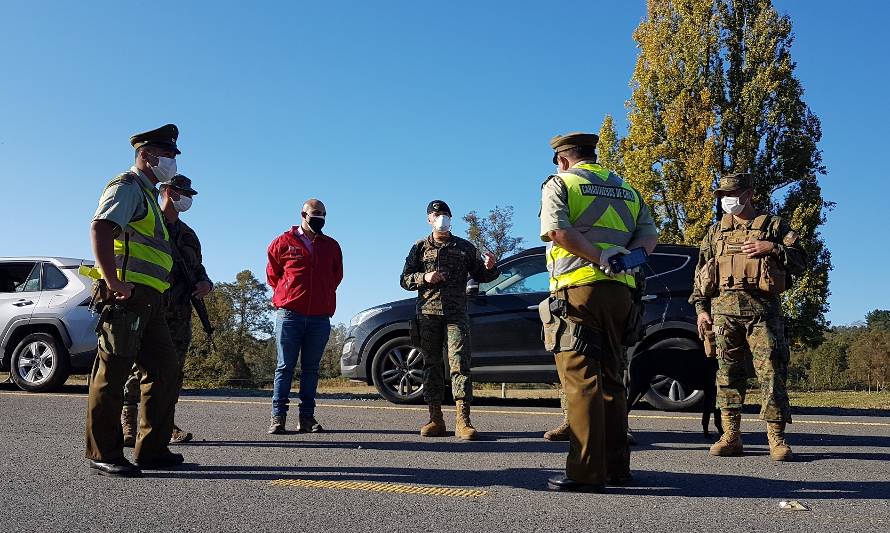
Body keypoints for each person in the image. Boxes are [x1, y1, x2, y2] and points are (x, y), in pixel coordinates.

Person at [539, 132, 658, 492]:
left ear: (562, 159)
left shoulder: (561, 184)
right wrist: (622, 260)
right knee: (611, 378)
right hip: (621, 293)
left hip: (578, 292)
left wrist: (597, 256)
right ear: (593, 155)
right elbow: (649, 238)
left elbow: (558, 232)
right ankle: (617, 467)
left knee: (581, 381)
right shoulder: (628, 190)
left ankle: (586, 472)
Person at [84, 124, 186, 477]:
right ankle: (104, 452)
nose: (172, 162)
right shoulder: (127, 187)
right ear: (148, 154)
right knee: (112, 372)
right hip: (126, 296)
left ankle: (152, 450)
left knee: (164, 370)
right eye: (169, 155)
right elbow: (100, 227)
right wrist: (112, 281)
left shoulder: (148, 196)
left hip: (149, 299)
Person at [690, 172, 806, 461]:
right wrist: (701, 310)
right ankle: (731, 436)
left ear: (749, 193)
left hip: (763, 315)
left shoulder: (773, 226)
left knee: (771, 374)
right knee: (727, 375)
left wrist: (774, 248)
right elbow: (701, 274)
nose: (727, 200)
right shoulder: (716, 232)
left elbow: (802, 261)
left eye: (732, 194)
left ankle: (776, 439)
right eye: (722, 195)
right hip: (723, 315)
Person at [121, 174, 212, 446]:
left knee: (173, 372)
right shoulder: (148, 223)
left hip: (179, 312)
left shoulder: (189, 235)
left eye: (190, 195)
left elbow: (197, 269)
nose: (187, 199)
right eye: (183, 193)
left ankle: (164, 424)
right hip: (149, 306)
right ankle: (128, 422)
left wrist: (206, 283)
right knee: (138, 369)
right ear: (167, 191)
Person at [400, 200, 499, 440]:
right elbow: (404, 279)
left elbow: (482, 274)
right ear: (429, 219)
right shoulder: (419, 247)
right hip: (428, 314)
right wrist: (425, 277)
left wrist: (491, 267)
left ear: (450, 218)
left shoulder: (465, 247)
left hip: (456, 315)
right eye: (436, 214)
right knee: (431, 365)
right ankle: (435, 419)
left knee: (460, 365)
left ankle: (463, 421)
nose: (441, 217)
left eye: (444, 214)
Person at [266, 199, 343, 434]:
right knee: (284, 367)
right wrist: (290, 293)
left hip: (320, 317)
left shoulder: (331, 246)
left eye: (323, 214)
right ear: (303, 214)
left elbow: (336, 276)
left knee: (311, 369)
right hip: (290, 315)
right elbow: (273, 274)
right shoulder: (283, 242)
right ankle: (278, 417)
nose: (319, 217)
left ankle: (306, 418)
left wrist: (322, 294)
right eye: (315, 213)